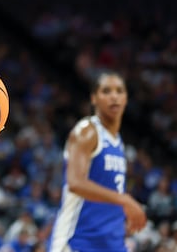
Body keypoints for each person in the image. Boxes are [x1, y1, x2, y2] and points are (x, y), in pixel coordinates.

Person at [48, 70, 147, 252]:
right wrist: (125, 200)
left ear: (126, 98)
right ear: (94, 98)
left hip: (111, 244)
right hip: (78, 242)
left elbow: (108, 194)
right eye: (106, 91)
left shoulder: (118, 142)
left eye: (119, 91)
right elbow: (75, 183)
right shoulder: (87, 131)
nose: (114, 97)